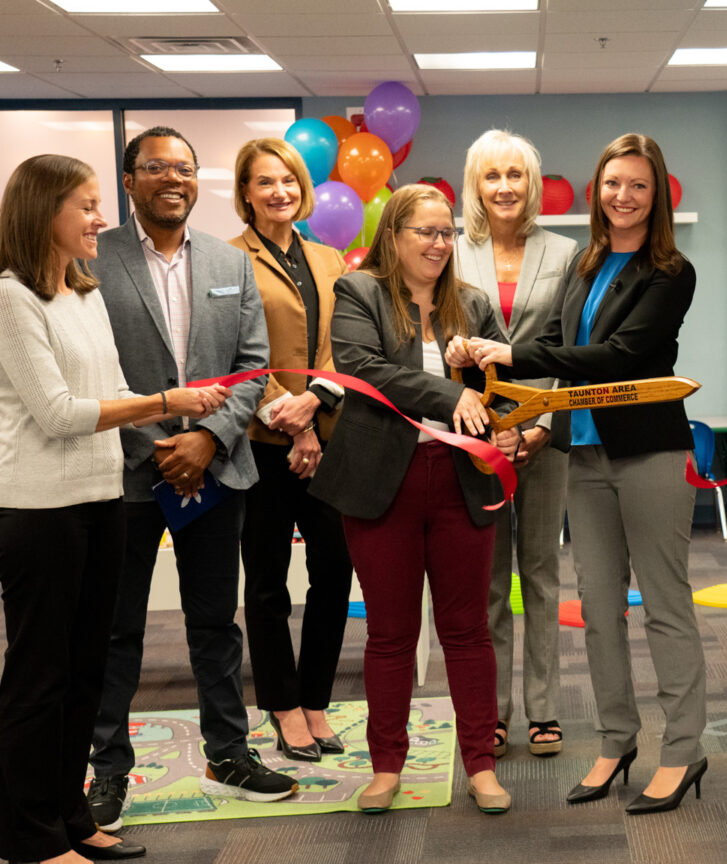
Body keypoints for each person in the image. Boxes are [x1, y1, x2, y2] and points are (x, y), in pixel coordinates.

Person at [0, 153, 229, 863]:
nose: (99, 219)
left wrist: (176, 428)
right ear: (43, 213)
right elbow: (59, 414)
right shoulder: (7, 298)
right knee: (40, 679)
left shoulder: (82, 293)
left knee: (86, 674)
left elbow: (112, 392)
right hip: (36, 513)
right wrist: (166, 403)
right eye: (85, 206)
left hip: (100, 503)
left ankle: (71, 821)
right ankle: (30, 841)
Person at [450, 133, 708, 814]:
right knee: (597, 612)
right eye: (613, 184)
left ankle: (682, 751)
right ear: (597, 192)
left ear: (658, 196)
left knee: (664, 608)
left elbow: (621, 353)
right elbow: (564, 346)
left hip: (651, 453)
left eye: (638, 186)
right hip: (583, 453)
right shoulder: (588, 263)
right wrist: (483, 362)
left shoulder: (670, 272)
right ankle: (616, 741)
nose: (623, 197)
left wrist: (509, 350)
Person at [87, 126, 296, 829]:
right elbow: (88, 368)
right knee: (116, 628)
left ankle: (229, 753)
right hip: (125, 474)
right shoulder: (94, 257)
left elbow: (252, 364)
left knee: (216, 621)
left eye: (183, 167)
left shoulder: (227, 262)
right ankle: (108, 770)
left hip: (215, 470)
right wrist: (157, 444)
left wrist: (208, 437)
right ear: (129, 181)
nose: (171, 178)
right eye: (155, 167)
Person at [309, 183, 518, 815]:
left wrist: (509, 421)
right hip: (381, 484)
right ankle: (386, 766)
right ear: (393, 236)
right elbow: (364, 369)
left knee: (468, 630)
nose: (438, 243)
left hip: (463, 483)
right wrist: (448, 394)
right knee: (392, 635)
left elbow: (503, 383)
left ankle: (480, 764)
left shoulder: (474, 304)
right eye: (424, 231)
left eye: (447, 232)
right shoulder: (358, 292)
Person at [228, 138, 354, 763]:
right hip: (262, 442)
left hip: (328, 437)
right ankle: (281, 705)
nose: (279, 191)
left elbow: (345, 346)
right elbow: (236, 356)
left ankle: (316, 701)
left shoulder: (331, 259)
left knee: (334, 571)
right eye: (264, 182)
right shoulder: (226, 262)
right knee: (270, 578)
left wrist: (316, 407)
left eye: (288, 180)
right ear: (245, 193)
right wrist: (291, 418)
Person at [453, 129, 578, 760]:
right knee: (489, 584)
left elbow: (567, 344)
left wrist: (539, 423)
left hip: (544, 434)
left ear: (533, 183)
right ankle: (492, 713)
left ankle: (546, 711)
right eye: (492, 175)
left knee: (543, 576)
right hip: (476, 437)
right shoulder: (449, 252)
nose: (505, 186)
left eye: (516, 175)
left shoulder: (565, 252)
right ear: (476, 184)